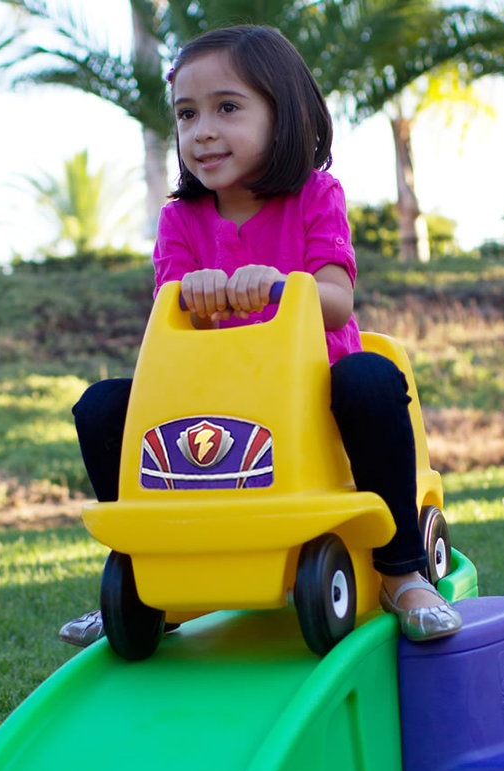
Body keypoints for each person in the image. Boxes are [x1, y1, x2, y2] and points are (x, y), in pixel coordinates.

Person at [59, 24, 461, 649]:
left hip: (310, 395)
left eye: (226, 107)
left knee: (372, 380)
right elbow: (169, 313)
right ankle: (148, 575)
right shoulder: (179, 220)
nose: (203, 130)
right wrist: (195, 298)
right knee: (103, 405)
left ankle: (402, 571)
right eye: (187, 114)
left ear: (285, 113)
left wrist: (280, 283)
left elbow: (335, 300)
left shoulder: (315, 196)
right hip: (214, 401)